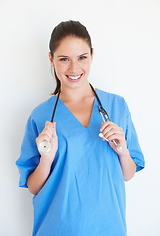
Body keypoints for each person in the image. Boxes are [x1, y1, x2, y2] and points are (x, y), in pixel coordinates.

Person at [16, 20, 145, 236]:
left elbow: (128, 173)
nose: (74, 68)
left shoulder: (116, 106)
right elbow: (33, 187)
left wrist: (122, 150)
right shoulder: (40, 116)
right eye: (64, 59)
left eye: (82, 57)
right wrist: (46, 159)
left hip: (108, 227)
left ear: (92, 55)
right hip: (57, 228)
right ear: (51, 59)